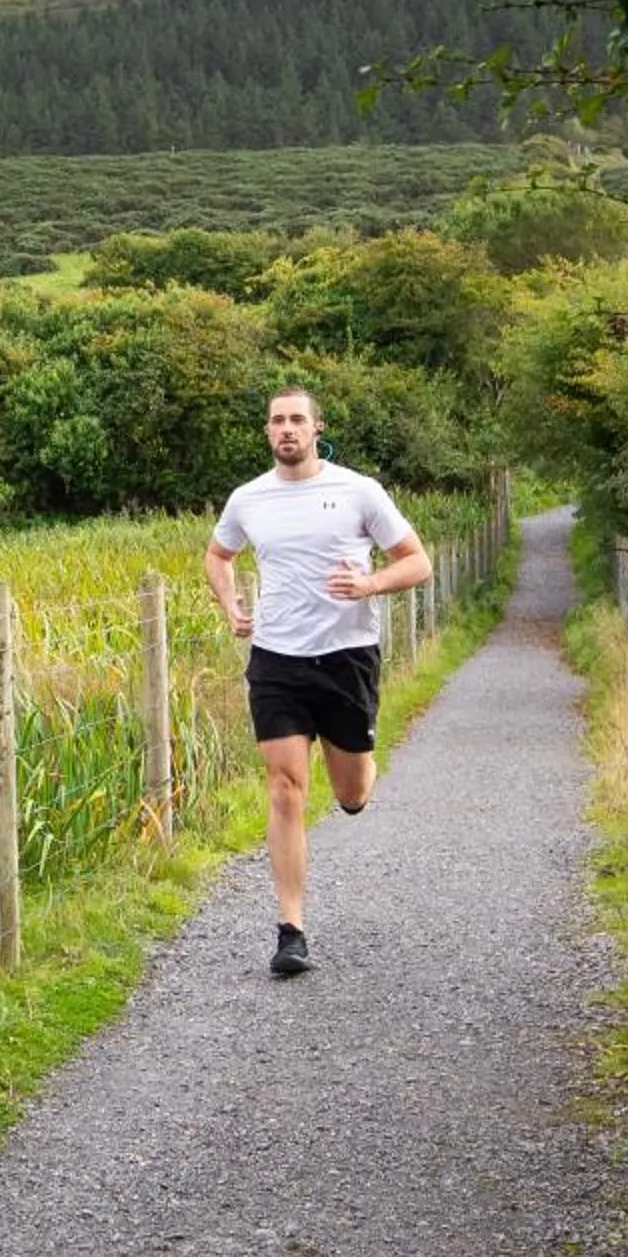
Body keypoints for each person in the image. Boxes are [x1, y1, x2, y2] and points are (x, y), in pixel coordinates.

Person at [201, 385, 429, 977]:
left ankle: (358, 777)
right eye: (277, 421)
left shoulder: (358, 491)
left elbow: (416, 561)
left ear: (316, 427)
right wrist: (231, 606)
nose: (286, 430)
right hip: (276, 659)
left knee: (350, 791)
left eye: (296, 419)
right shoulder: (248, 498)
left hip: (346, 657)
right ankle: (291, 931)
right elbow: (217, 556)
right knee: (284, 787)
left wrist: (371, 585)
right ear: (267, 431)